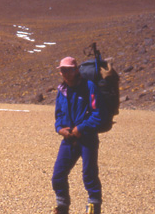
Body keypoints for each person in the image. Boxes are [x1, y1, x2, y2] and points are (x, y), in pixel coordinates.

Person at [52, 56, 107, 214]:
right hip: (69, 139)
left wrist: (81, 128)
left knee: (89, 176)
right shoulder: (62, 90)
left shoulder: (89, 87)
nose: (66, 73)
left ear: (76, 70)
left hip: (87, 138)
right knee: (58, 175)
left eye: (69, 70)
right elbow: (59, 115)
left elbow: (99, 114)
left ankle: (93, 209)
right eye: (63, 70)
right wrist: (60, 129)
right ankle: (62, 207)